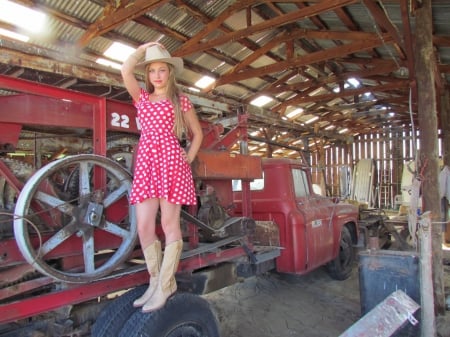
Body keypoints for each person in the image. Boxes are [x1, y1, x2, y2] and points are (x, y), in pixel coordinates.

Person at [121, 42, 203, 313]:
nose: (157, 75)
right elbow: (125, 69)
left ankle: (166, 284)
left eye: (162, 70)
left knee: (169, 224)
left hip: (171, 163)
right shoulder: (142, 98)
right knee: (144, 226)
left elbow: (197, 134)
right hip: (146, 162)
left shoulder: (180, 101)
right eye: (152, 70)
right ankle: (155, 280)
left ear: (170, 72)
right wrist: (143, 48)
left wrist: (187, 158)